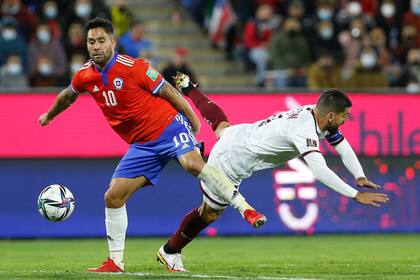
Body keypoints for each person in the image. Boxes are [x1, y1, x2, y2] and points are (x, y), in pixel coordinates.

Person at [38, 17, 265, 273]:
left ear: (113, 42)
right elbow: (67, 96)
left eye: (102, 40)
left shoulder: (134, 67)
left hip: (169, 127)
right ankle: (115, 262)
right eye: (92, 41)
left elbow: (168, 90)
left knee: (192, 164)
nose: (96, 46)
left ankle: (244, 208)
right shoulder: (84, 75)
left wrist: (191, 119)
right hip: (143, 144)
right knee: (113, 197)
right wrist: (49, 115)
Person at [156, 73, 389, 272]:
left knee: (221, 126)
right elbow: (319, 170)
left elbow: (343, 146)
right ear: (331, 116)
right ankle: (170, 251)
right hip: (229, 162)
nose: (346, 119)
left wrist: (359, 175)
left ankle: (189, 89)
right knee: (209, 214)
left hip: (240, 135)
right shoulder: (304, 129)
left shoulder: (316, 115)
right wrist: (354, 195)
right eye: (344, 115)